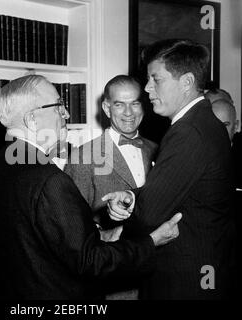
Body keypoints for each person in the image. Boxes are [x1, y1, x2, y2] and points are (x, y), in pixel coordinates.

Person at [0, 74, 182, 300]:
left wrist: (112, 234)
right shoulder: (49, 179)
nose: (66, 113)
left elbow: (47, 240)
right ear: (32, 120)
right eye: (58, 106)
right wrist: (152, 242)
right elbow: (90, 262)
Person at [103, 39, 237, 299]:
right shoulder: (206, 121)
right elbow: (180, 190)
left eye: (156, 79)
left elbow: (149, 214)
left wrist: (116, 234)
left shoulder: (188, 131)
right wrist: (132, 197)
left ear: (186, 82)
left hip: (185, 278)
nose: (147, 88)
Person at [64, 75, 157, 299]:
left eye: (135, 103)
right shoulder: (83, 156)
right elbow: (71, 228)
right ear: (106, 108)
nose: (128, 112)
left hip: (157, 274)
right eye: (119, 104)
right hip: (114, 280)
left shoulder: (159, 150)